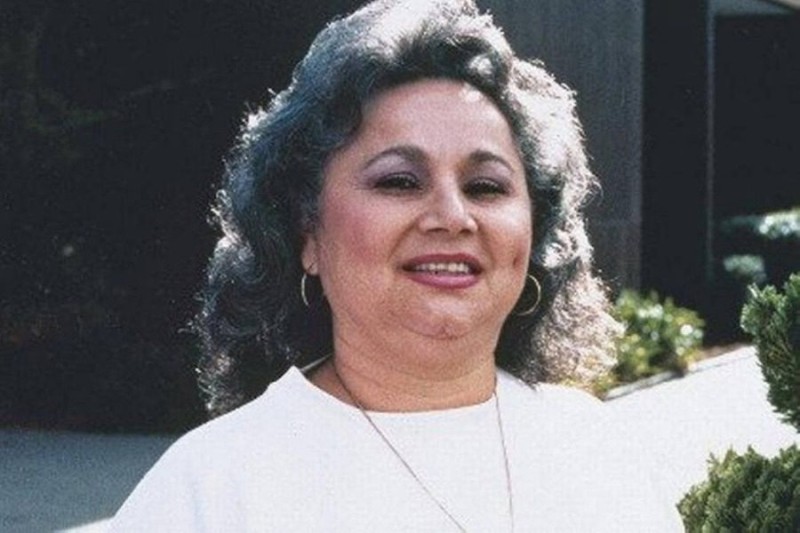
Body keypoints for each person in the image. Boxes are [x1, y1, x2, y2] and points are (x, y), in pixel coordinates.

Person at [112, 0, 684, 530]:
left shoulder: (600, 452)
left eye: (486, 186)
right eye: (399, 181)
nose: (453, 216)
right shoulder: (210, 488)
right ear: (306, 232)